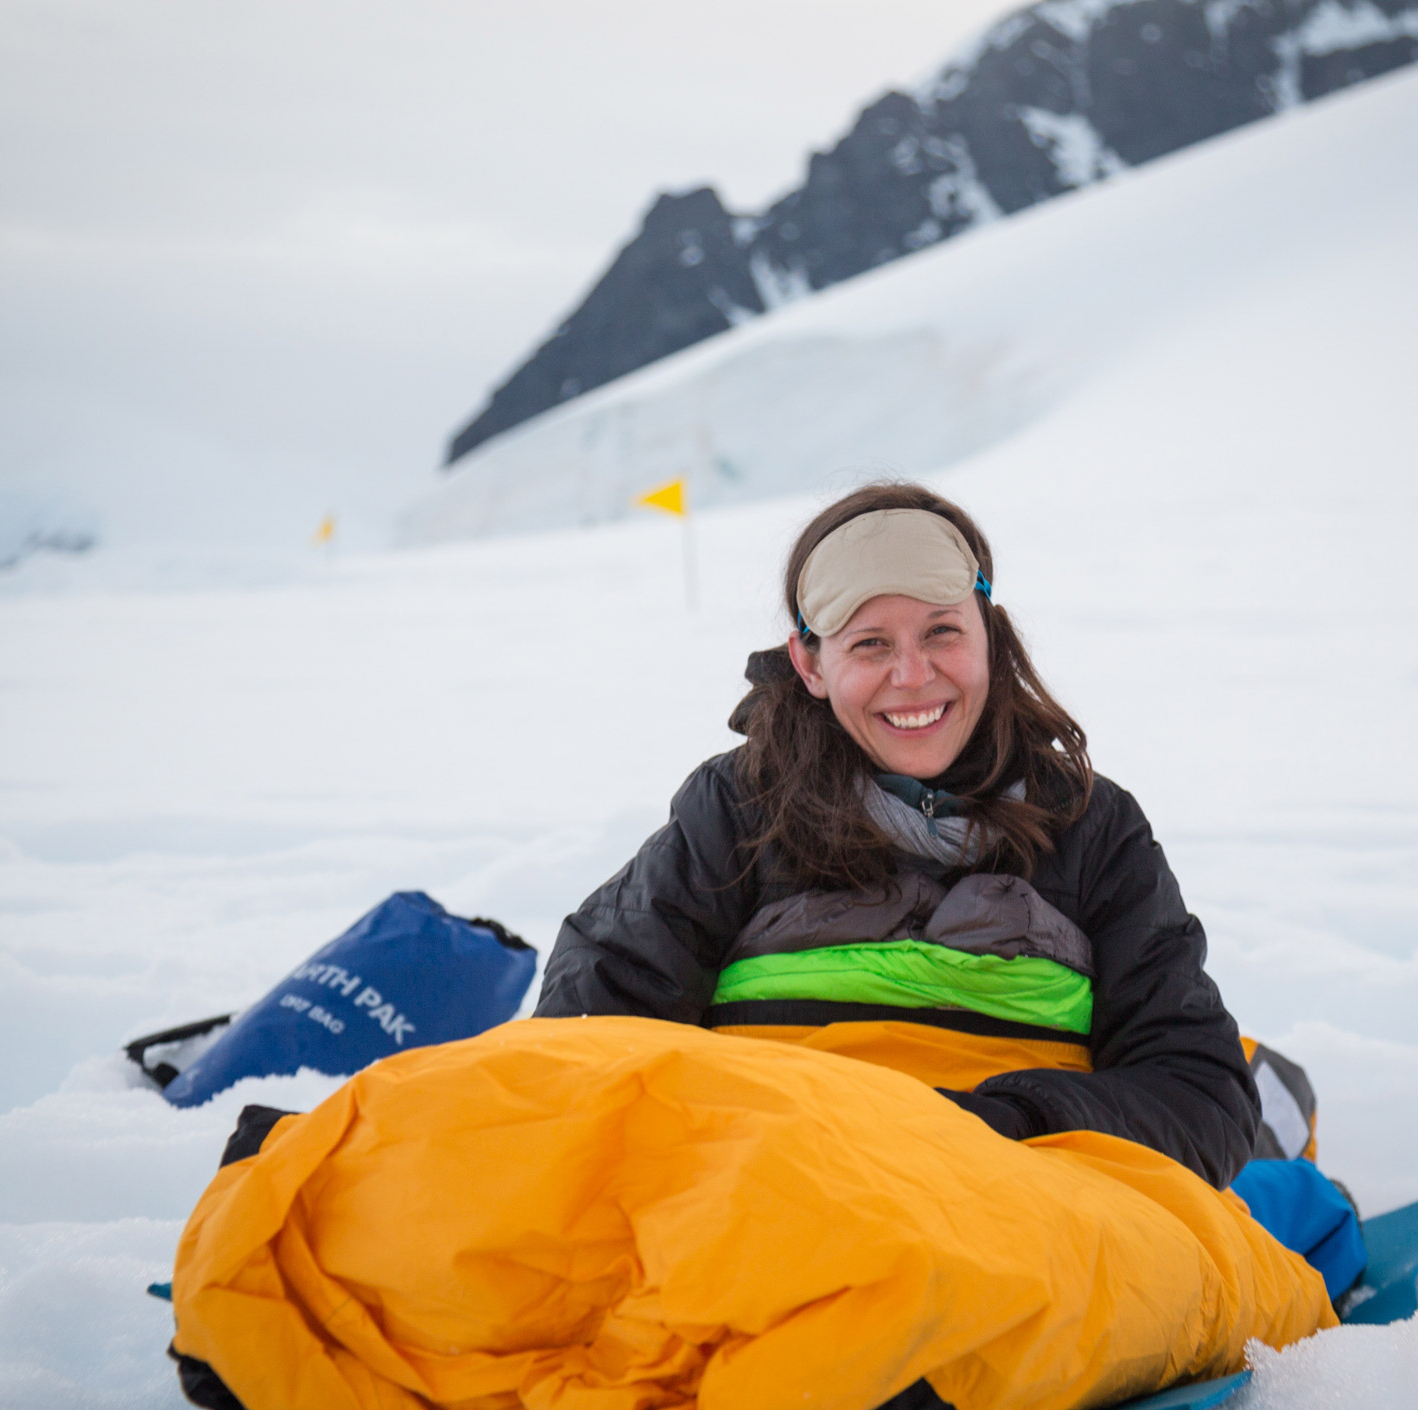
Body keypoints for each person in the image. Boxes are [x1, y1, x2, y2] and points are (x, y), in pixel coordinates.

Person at [535, 481, 1263, 1187]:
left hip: (1025, 1208)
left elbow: (1200, 1096)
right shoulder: (737, 809)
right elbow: (594, 1034)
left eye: (941, 631)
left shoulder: (1093, 828)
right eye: (870, 644)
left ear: (991, 636)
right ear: (810, 664)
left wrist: (997, 1128)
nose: (912, 675)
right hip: (773, 1192)